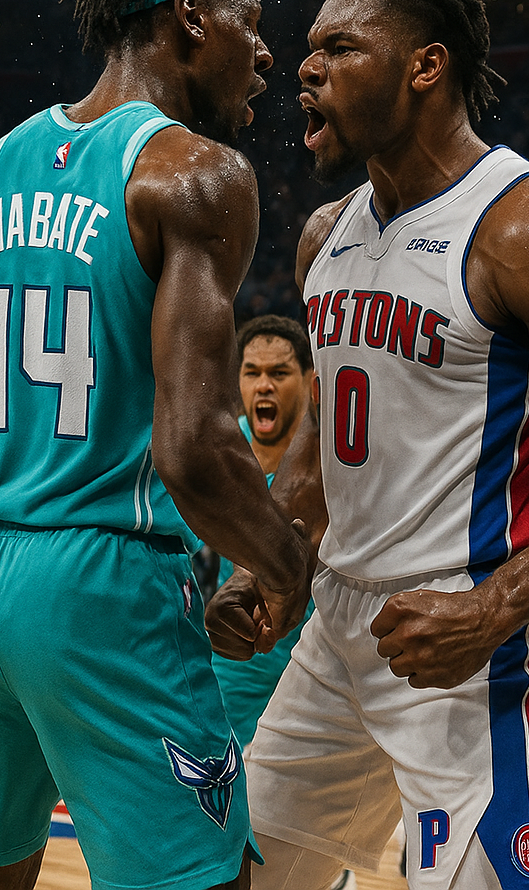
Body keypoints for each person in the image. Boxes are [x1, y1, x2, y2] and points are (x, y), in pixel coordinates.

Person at [206, 0, 529, 890]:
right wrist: (278, 561)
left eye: (340, 48)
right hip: (337, 629)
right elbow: (325, 442)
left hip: (474, 635)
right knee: (236, 878)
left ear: (426, 66)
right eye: (308, 51)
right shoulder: (322, 236)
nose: (306, 68)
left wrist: (493, 609)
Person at [0, 0, 311, 890]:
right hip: (106, 584)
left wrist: (20, 426)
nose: (268, 52)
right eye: (251, 19)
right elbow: (194, 447)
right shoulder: (196, 174)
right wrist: (289, 562)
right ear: (191, 17)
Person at [212, 314, 319, 748]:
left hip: (316, 656)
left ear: (310, 380)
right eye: (252, 372)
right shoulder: (220, 451)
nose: (264, 385)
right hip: (241, 659)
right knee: (230, 796)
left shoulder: (329, 457)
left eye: (279, 373)